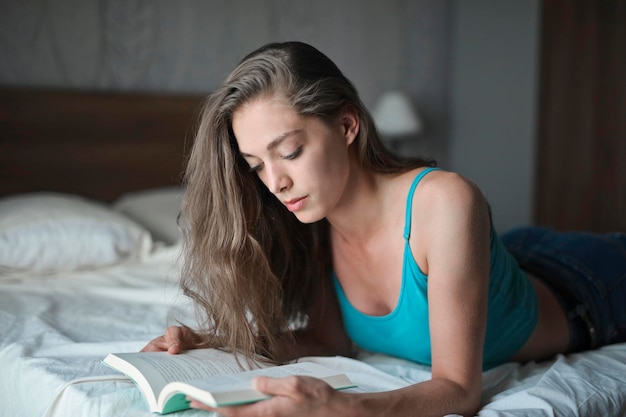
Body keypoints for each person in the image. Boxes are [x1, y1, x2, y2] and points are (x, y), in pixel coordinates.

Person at [142, 41, 626, 417]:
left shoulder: (446, 201)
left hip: (582, 287)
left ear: (347, 125)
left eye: (288, 152)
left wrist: (347, 409)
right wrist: (214, 339)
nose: (276, 182)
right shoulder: (310, 220)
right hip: (505, 263)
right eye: (255, 166)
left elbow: (460, 390)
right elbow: (328, 339)